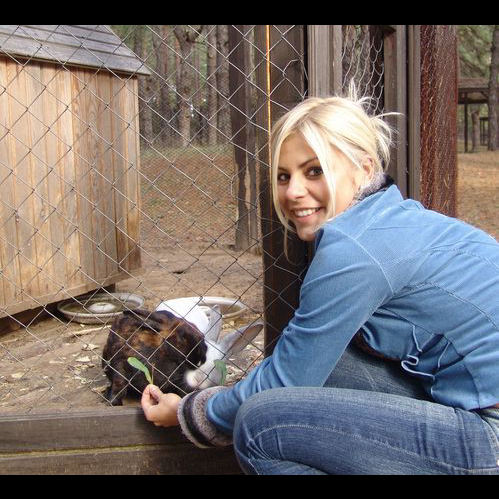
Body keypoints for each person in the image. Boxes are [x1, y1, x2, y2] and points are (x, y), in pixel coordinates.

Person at [141, 88, 499, 475]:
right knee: (332, 368)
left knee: (261, 427)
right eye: (283, 176)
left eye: (314, 171)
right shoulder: (388, 217)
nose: (293, 192)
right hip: (470, 399)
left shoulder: (354, 249)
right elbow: (301, 370)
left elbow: (283, 382)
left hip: (489, 433)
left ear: (364, 168)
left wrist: (188, 412)